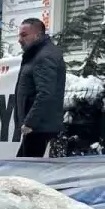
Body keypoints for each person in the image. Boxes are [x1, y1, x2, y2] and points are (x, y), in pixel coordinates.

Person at [14, 18, 66, 158]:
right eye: (19, 35)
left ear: (37, 35)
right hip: (38, 127)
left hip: (39, 127)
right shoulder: (37, 54)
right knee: (24, 166)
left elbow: (45, 93)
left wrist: (30, 122)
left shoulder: (43, 56)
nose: (19, 40)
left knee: (24, 168)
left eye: (24, 35)